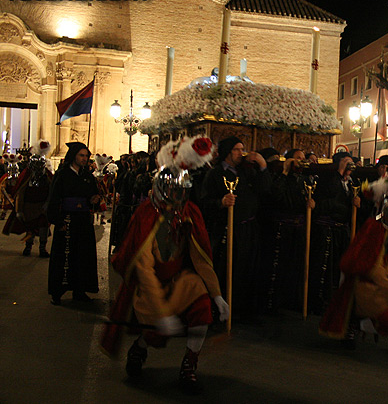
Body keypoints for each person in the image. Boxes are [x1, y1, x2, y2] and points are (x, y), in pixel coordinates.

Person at [101, 137, 228, 394]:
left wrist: (217, 295)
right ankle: (140, 346)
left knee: (201, 306)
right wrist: (162, 311)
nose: (178, 197)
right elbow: (144, 268)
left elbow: (200, 258)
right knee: (157, 329)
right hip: (149, 283)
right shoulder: (146, 215)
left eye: (182, 192)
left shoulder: (189, 212)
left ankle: (189, 365)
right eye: (173, 192)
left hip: (179, 278)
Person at [320, 191, 388, 359]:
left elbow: (386, 262)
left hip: (383, 279)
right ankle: (354, 323)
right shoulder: (373, 227)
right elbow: (359, 264)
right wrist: (386, 286)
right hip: (363, 281)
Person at [199, 136, 271, 319]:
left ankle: (244, 310)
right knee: (228, 271)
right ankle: (222, 310)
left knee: (248, 271)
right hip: (227, 230)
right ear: (227, 152)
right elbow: (204, 202)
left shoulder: (247, 172)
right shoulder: (214, 174)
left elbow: (264, 192)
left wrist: (263, 167)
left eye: (242, 149)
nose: (241, 153)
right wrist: (221, 202)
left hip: (248, 230)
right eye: (237, 149)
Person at [262, 148, 315, 312]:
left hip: (298, 228)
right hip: (281, 227)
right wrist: (285, 172)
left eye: (303, 158)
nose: (301, 161)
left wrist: (311, 203)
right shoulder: (279, 176)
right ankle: (273, 303)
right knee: (279, 266)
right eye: (297, 158)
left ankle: (292, 301)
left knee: (296, 266)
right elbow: (276, 196)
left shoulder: (305, 179)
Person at [47, 142, 100, 305]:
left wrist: (94, 200)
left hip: (83, 221)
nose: (84, 159)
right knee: (64, 256)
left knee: (82, 256)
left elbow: (94, 196)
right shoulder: (62, 175)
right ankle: (58, 291)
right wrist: (57, 219)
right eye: (81, 155)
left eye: (86, 156)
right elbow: (54, 198)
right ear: (74, 156)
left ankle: (80, 289)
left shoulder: (88, 176)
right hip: (67, 220)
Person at [310, 151, 360, 314]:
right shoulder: (328, 180)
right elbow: (328, 199)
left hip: (341, 230)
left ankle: (337, 299)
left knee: (340, 267)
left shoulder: (353, 183)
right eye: (346, 163)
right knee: (325, 267)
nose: (349, 167)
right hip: (327, 229)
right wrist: (339, 172)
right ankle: (320, 301)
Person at [2, 141, 53, 257]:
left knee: (43, 228)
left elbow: (52, 191)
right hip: (29, 207)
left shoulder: (47, 176)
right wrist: (19, 210)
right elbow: (20, 192)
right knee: (30, 228)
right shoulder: (27, 175)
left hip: (42, 206)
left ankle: (42, 248)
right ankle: (28, 247)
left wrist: (48, 204)